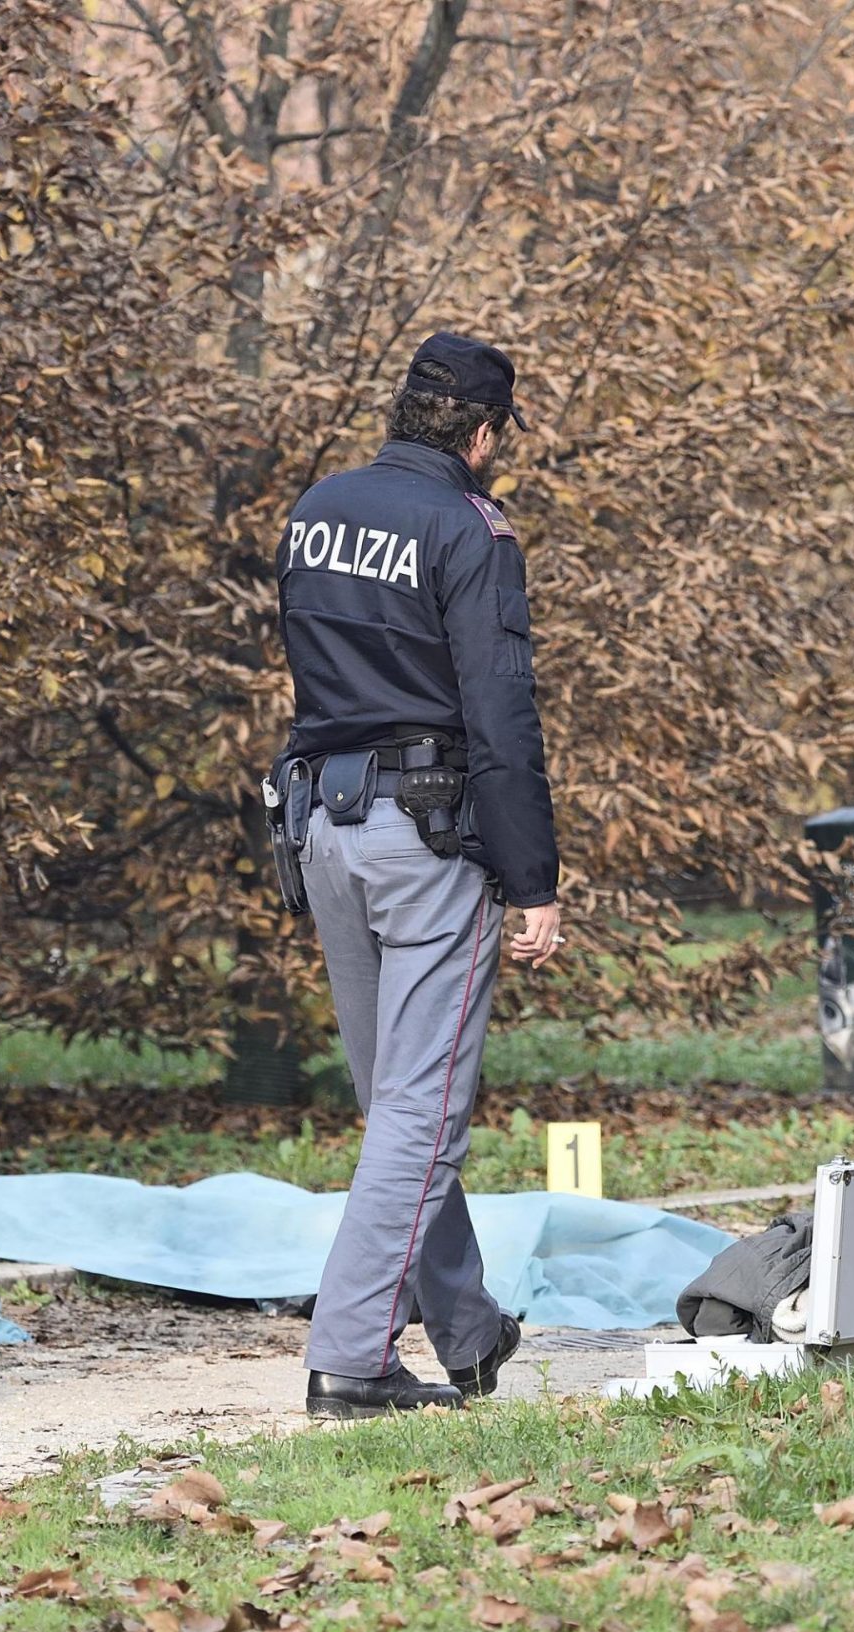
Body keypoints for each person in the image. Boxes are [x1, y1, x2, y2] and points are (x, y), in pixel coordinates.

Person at [274, 332, 561, 1419]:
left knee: (396, 1093)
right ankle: (351, 1360)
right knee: (423, 1110)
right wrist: (530, 876)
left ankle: (468, 1328)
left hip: (325, 827)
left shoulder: (317, 507)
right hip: (423, 834)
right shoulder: (468, 526)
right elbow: (499, 714)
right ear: (483, 435)